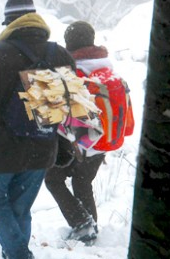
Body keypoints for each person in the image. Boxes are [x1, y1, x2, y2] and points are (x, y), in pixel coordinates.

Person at [0, 0, 76, 259]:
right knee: (19, 209)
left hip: (1, 151)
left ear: (9, 23)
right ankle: (14, 254)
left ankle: (19, 255)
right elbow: (66, 108)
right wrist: (64, 144)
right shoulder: (59, 54)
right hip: (43, 148)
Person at [44, 20, 135, 244]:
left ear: (68, 43)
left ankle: (83, 226)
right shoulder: (108, 71)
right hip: (104, 143)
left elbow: (56, 114)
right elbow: (127, 120)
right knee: (83, 183)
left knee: (53, 178)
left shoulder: (73, 73)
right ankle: (88, 231)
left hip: (82, 143)